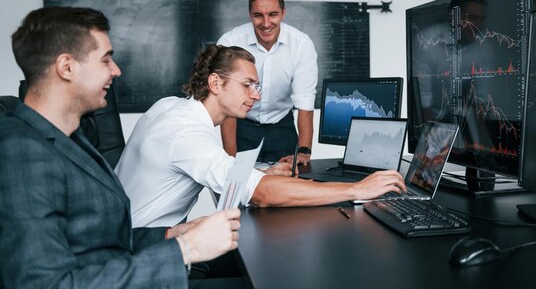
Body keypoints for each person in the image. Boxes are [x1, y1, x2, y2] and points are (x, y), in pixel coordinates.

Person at [0, 7, 257, 289]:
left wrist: (171, 233)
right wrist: (185, 249)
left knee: (259, 287)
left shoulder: (73, 135)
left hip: (129, 276)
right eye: (106, 59)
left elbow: (99, 239)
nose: (116, 70)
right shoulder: (22, 151)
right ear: (66, 67)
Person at [115, 44, 406, 228]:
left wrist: (262, 171)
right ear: (215, 83)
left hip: (136, 238)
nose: (255, 95)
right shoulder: (187, 134)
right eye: (247, 85)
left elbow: (218, 174)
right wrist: (357, 190)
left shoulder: (170, 106)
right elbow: (261, 195)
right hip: (146, 256)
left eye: (257, 86)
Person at [216, 0, 317, 164]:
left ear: (283, 13)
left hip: (282, 126)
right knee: (239, 186)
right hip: (242, 125)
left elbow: (305, 102)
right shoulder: (230, 41)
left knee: (288, 187)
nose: (266, 23)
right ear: (250, 15)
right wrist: (230, 158)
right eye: (258, 16)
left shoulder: (301, 44)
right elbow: (226, 103)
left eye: (273, 14)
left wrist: (304, 151)